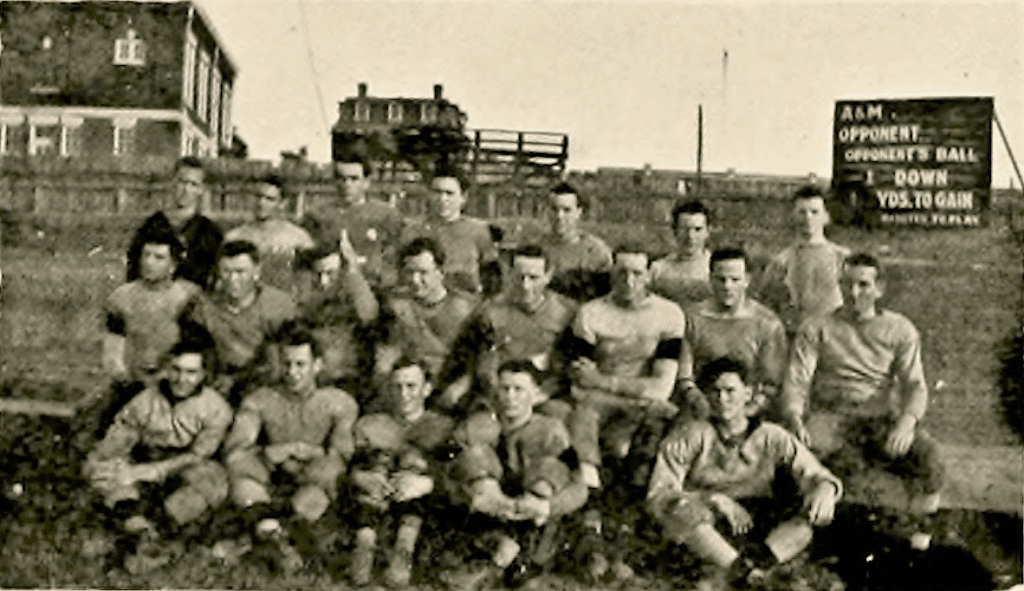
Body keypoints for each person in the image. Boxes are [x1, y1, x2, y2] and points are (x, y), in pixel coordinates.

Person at [780, 253, 944, 551]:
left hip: (880, 418)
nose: (854, 293)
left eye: (863, 285)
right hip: (831, 417)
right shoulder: (817, 326)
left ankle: (921, 534)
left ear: (879, 289)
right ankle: (823, 543)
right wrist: (794, 417)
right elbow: (797, 380)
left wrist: (906, 424)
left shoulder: (899, 329)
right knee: (825, 469)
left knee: (928, 455)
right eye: (847, 284)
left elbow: (916, 385)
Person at [646, 358, 841, 589]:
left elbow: (814, 473)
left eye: (730, 391)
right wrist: (713, 499)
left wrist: (825, 487)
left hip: (757, 520)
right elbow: (658, 495)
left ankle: (755, 569)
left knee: (808, 516)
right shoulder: (690, 435)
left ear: (748, 393)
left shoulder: (772, 435)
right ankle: (741, 572)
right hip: (708, 521)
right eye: (715, 392)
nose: (722, 399)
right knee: (681, 512)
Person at [562, 241, 685, 577]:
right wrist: (623, 394)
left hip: (642, 407)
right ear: (612, 273)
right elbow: (578, 383)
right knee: (584, 419)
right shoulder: (591, 313)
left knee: (638, 443)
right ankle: (592, 528)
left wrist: (603, 381)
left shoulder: (669, 314)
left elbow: (662, 386)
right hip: (602, 406)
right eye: (621, 272)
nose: (629, 281)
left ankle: (626, 540)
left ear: (649, 276)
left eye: (637, 273)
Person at [447, 360, 589, 588]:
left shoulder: (551, 430)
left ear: (536, 393)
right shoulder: (477, 425)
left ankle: (513, 558)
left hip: (532, 517)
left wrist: (547, 506)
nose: (510, 397)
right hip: (488, 512)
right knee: (474, 456)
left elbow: (579, 488)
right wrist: (472, 495)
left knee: (549, 469)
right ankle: (491, 558)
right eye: (504, 389)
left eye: (519, 389)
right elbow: (447, 475)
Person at [85, 332, 233, 533]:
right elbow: (118, 438)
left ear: (203, 374)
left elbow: (199, 454)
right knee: (100, 469)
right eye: (176, 370)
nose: (181, 379)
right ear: (167, 369)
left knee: (214, 481)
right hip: (142, 458)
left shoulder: (216, 408)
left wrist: (156, 471)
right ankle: (134, 522)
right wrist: (119, 466)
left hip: (184, 465)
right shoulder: (144, 401)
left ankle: (162, 524)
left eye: (191, 372)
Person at [222, 321, 359, 528]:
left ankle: (284, 527)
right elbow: (235, 453)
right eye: (287, 364)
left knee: (329, 474)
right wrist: (269, 453)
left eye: (300, 364)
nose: (292, 372)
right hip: (268, 477)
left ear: (317, 365)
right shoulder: (259, 400)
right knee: (239, 479)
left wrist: (312, 453)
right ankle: (266, 523)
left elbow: (342, 456)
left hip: (314, 479)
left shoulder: (339, 403)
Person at [346, 356, 456, 587]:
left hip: (420, 506)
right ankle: (364, 544)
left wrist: (427, 482)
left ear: (426, 389)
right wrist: (362, 477)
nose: (403, 394)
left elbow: (455, 472)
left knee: (414, 463)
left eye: (411, 386)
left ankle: (404, 550)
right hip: (375, 500)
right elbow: (351, 465)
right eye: (397, 386)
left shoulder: (444, 427)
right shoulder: (371, 424)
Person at [438, 244, 578, 419]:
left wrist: (539, 395)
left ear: (548, 276)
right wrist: (462, 384)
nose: (525, 286)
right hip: (496, 393)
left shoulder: (566, 313)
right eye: (520, 277)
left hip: (544, 394)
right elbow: (470, 354)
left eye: (533, 278)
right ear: (510, 274)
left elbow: (571, 365)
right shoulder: (490, 311)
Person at [678, 247, 788, 418]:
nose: (727, 286)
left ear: (747, 280)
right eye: (720, 279)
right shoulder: (691, 319)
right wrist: (697, 400)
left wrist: (746, 413)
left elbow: (771, 383)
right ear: (710, 279)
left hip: (750, 413)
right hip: (700, 410)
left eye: (735, 279)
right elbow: (684, 376)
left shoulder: (767, 324)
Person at [184, 240, 297, 404]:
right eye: (226, 271)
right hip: (217, 385)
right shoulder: (204, 308)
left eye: (240, 271)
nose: (232, 279)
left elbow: (281, 362)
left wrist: (237, 379)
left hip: (265, 384)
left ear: (256, 271)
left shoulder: (278, 305)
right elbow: (197, 353)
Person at [373, 237, 479, 393]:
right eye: (409, 272)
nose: (415, 280)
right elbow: (387, 354)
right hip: (409, 389)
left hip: (451, 389)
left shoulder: (466, 309)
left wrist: (461, 386)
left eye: (423, 273)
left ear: (440, 272)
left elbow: (478, 360)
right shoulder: (397, 307)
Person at [757, 185, 850, 333]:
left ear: (826, 216)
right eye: (802, 212)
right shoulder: (781, 261)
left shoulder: (843, 258)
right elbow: (766, 308)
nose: (808, 218)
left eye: (814, 212)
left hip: (834, 338)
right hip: (794, 336)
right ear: (792, 216)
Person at [302, 157, 405, 287]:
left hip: (372, 284)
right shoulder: (318, 215)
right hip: (328, 286)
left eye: (354, 179)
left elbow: (394, 257)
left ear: (366, 182)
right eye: (342, 178)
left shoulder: (386, 215)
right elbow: (306, 257)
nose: (347, 184)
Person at [299, 231, 379, 396]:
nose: (323, 281)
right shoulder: (309, 300)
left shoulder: (355, 295)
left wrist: (353, 272)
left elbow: (369, 314)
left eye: (330, 274)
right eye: (318, 274)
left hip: (346, 380)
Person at [127, 156, 223, 290]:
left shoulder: (210, 233)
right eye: (182, 182)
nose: (186, 190)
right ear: (172, 183)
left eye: (193, 184)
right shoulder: (151, 226)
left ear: (201, 190)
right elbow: (133, 272)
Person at [402, 168, 498, 293]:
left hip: (466, 301)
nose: (442, 199)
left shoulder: (478, 231)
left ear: (463, 197)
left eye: (449, 193)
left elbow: (492, 274)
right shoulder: (412, 231)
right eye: (437, 192)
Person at [224, 173, 314, 294]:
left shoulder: (298, 238)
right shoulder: (235, 237)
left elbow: (307, 280)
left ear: (282, 203)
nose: (261, 203)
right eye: (258, 196)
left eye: (269, 199)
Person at [538, 182, 612, 300]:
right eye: (554, 209)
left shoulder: (596, 251)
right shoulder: (537, 248)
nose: (559, 216)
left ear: (578, 212)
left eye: (566, 210)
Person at [650, 200, 713, 310]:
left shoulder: (716, 269)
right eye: (684, 229)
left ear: (707, 232)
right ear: (675, 231)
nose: (690, 237)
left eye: (697, 229)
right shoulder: (658, 270)